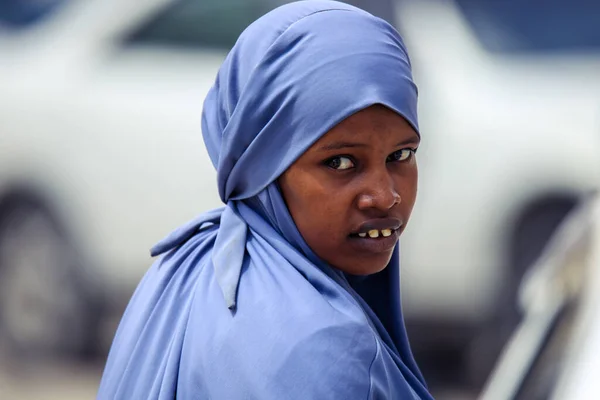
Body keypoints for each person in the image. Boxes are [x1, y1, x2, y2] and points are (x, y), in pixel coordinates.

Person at [98, 1, 433, 399]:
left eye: (402, 155)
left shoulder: (179, 270)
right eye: (340, 162)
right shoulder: (331, 350)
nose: (384, 195)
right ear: (262, 167)